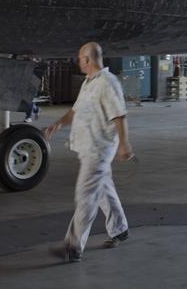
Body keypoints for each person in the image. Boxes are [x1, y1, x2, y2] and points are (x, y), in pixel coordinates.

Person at [45, 42, 134, 262]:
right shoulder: (89, 83)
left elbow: (119, 115)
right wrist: (59, 123)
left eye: (80, 58)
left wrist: (125, 144)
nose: (78, 62)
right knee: (103, 189)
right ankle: (119, 228)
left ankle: (73, 247)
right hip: (87, 147)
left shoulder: (107, 83)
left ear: (88, 59)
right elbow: (76, 110)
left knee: (85, 196)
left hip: (99, 149)